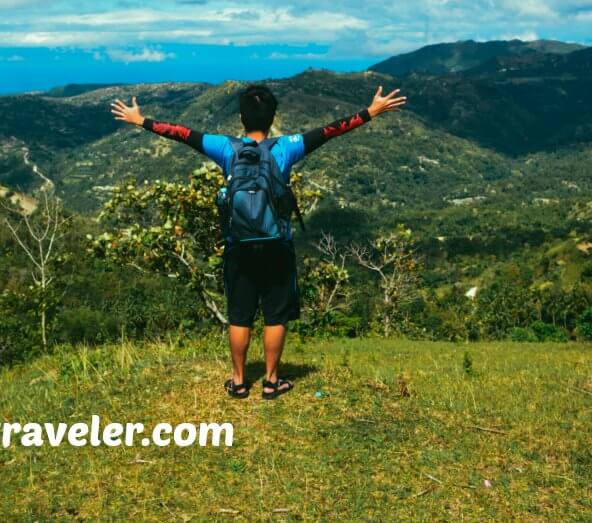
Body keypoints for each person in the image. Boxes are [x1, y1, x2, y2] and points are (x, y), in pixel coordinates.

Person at [111, 83, 406, 399]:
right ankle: (271, 381)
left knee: (240, 314)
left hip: (239, 244)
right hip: (277, 244)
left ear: (241, 117)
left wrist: (141, 120)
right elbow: (330, 131)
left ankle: (238, 382)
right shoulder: (287, 148)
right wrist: (370, 112)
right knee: (275, 314)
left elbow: (182, 133)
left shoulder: (225, 148)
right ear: (273, 117)